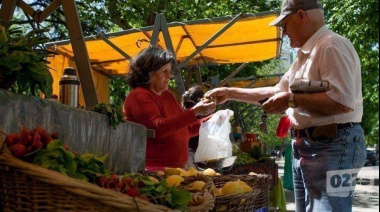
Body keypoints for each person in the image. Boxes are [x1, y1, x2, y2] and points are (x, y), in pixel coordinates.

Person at [204, 0, 366, 211]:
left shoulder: (331, 45)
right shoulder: (304, 56)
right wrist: (229, 93)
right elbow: (276, 91)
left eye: (285, 25)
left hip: (333, 147)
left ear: (302, 16)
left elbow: (341, 102)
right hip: (309, 148)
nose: (284, 33)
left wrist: (291, 100)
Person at [123, 46, 216, 171]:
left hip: (174, 171)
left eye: (169, 71)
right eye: (164, 71)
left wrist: (212, 120)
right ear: (148, 73)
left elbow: (186, 128)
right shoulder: (139, 95)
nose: (169, 76)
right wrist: (195, 112)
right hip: (152, 171)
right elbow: (157, 129)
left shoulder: (167, 96)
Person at [181, 85, 206, 169]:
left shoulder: (183, 111)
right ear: (200, 99)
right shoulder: (197, 114)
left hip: (183, 153)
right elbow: (196, 139)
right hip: (191, 156)